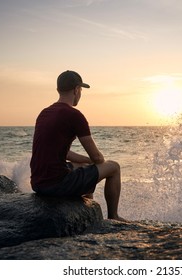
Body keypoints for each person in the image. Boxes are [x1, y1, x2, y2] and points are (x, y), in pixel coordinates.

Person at [30, 70, 125, 221]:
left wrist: (87, 162)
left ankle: (89, 209)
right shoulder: (74, 115)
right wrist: (98, 162)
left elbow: (65, 153)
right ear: (76, 90)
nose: (80, 94)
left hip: (38, 183)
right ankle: (113, 217)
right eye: (80, 90)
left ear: (58, 90)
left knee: (80, 165)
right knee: (114, 167)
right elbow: (97, 157)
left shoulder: (44, 113)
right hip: (56, 185)